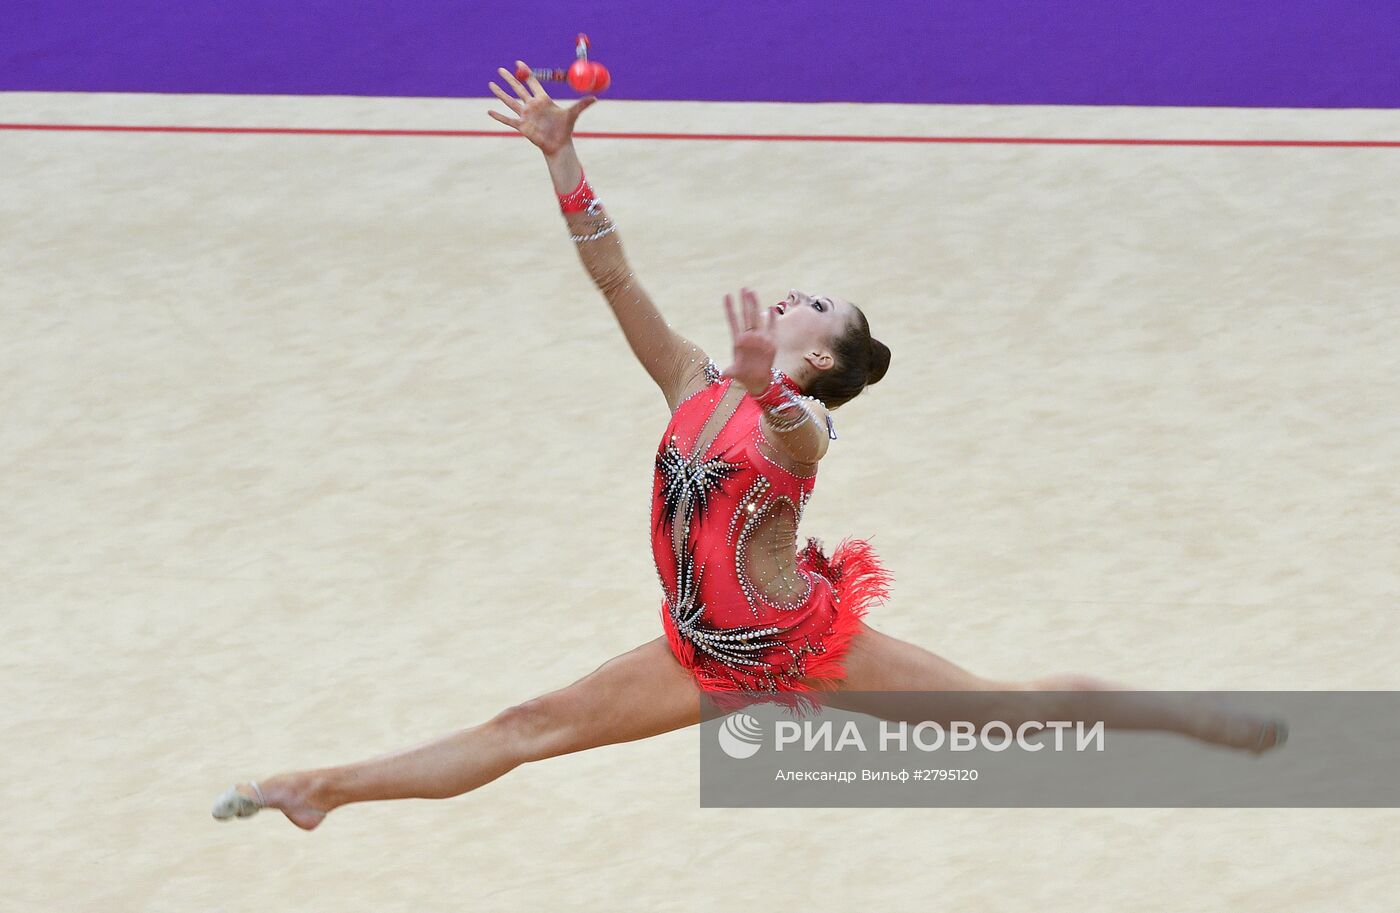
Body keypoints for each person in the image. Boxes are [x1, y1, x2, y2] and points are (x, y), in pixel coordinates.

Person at [211, 62, 1283, 830]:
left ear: (819, 358)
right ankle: (321, 789)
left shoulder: (801, 420)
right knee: (527, 724)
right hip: (701, 656)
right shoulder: (691, 380)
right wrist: (562, 154)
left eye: (814, 305)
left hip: (801, 643)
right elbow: (616, 280)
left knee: (1004, 717)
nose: (792, 293)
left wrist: (768, 388)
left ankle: (1188, 718)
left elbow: (798, 444)